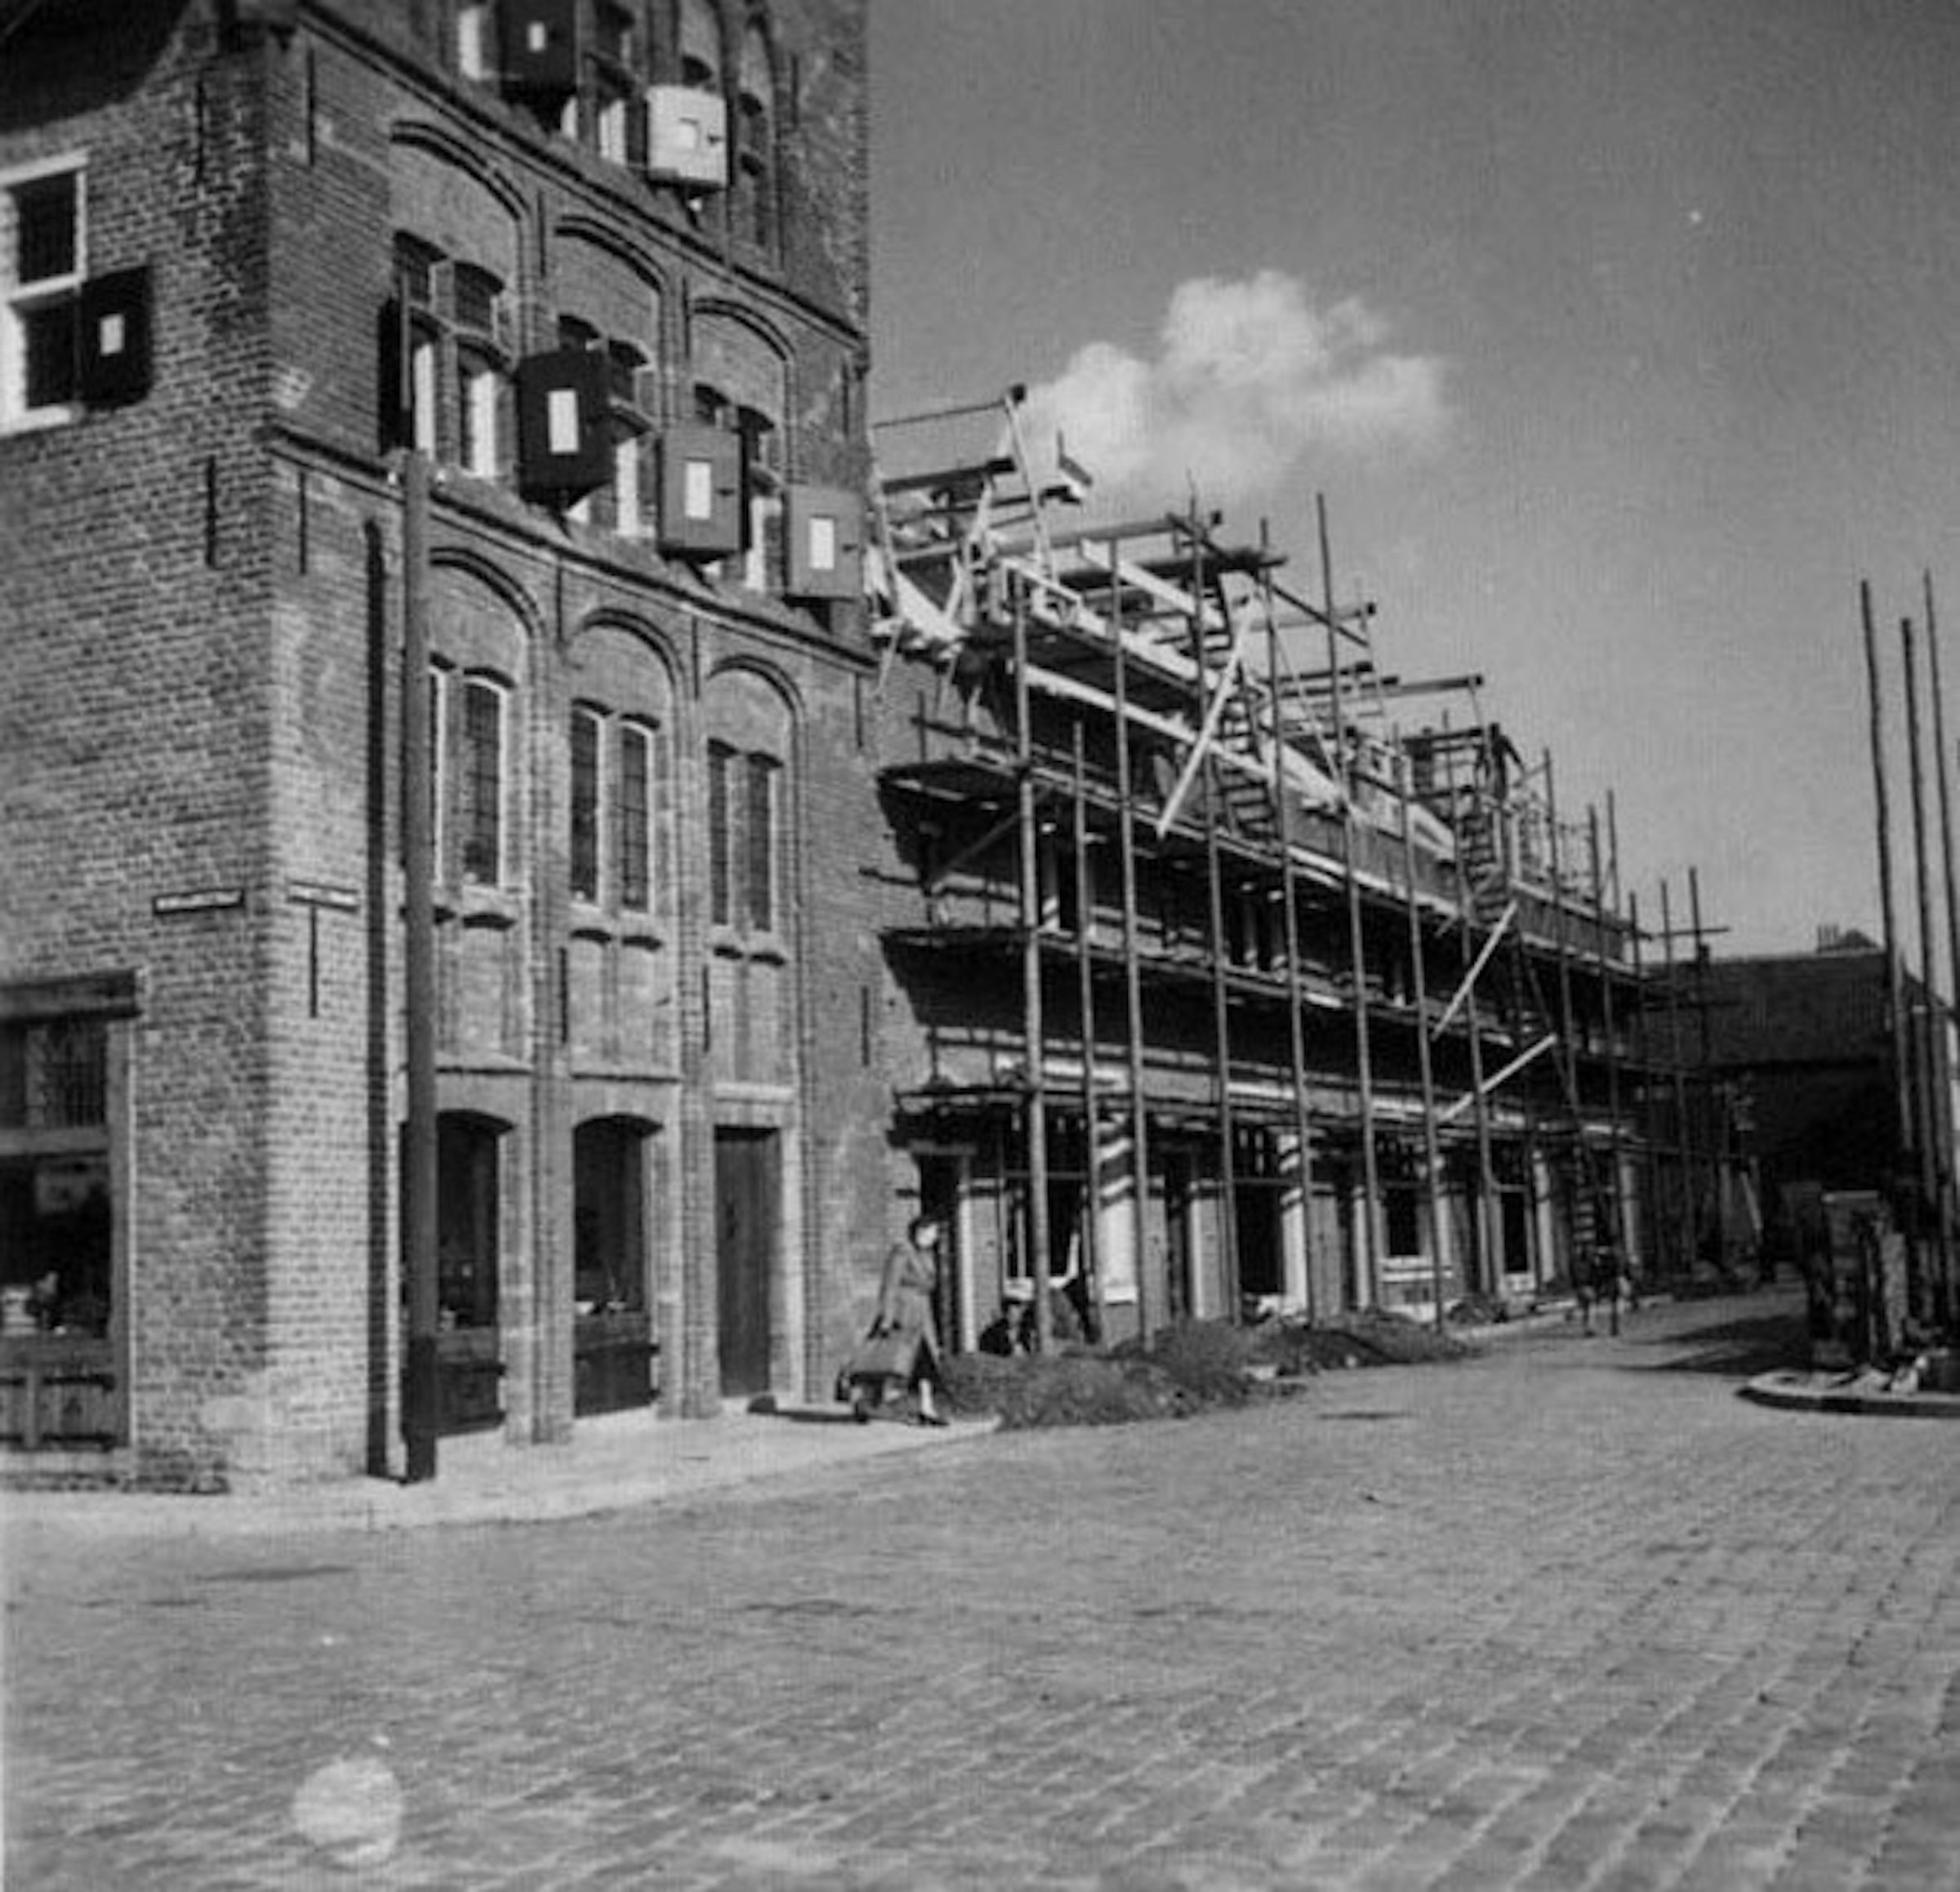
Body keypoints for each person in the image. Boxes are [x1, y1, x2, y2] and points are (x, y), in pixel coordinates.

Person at [849, 1214, 948, 1425]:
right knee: (888, 1361)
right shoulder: (902, 1251)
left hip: (921, 1317)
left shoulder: (927, 1256)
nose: (934, 1237)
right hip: (901, 1316)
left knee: (925, 1362)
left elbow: (928, 1285)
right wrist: (887, 1318)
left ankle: (927, 1409)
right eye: (931, 1232)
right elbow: (890, 1285)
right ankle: (864, 1401)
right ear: (919, 1231)